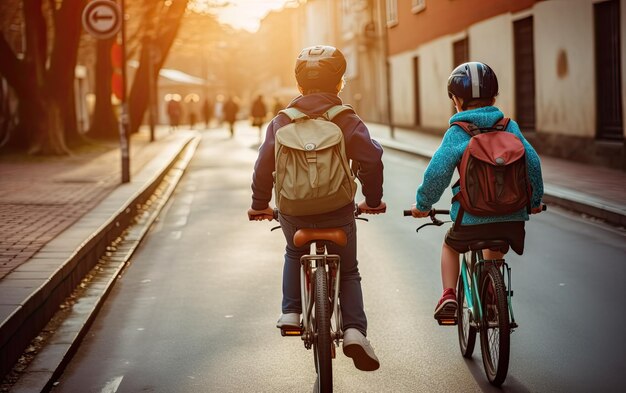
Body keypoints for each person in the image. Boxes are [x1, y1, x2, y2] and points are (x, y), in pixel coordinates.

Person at [247, 45, 386, 371]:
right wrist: (374, 200)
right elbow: (371, 160)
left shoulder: (282, 121)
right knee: (348, 270)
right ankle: (354, 331)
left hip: (294, 211)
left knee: (294, 253)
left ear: (299, 86)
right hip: (338, 209)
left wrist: (259, 204)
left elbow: (263, 165)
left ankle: (291, 311)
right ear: (339, 83)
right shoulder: (346, 119)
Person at [409, 62, 545, 322]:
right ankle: (493, 295)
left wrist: (423, 204)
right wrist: (535, 200)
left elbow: (437, 173)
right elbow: (533, 162)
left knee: (450, 246)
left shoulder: (458, 132)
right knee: (494, 248)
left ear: (456, 101)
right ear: (494, 98)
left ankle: (448, 295)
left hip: (470, 217)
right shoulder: (509, 127)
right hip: (511, 218)